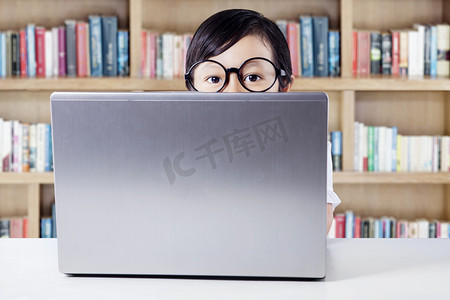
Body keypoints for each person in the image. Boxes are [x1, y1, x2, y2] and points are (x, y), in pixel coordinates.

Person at [184, 9, 341, 234]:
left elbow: (316, 227)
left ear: (284, 85)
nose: (233, 91)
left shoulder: (307, 142)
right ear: (191, 87)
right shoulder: (177, 144)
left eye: (253, 77)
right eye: (214, 78)